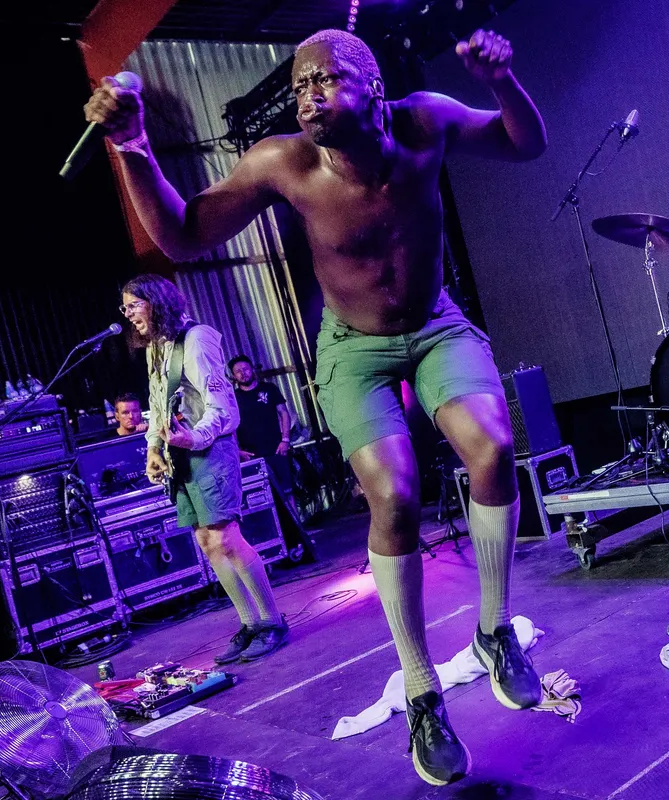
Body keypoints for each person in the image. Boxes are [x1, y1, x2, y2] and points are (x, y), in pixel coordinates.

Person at [86, 28, 546, 785]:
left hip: (435, 325)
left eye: (325, 79)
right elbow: (184, 236)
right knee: (393, 494)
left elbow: (523, 142)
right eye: (299, 85)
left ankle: (495, 632)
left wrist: (502, 79)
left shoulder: (425, 121)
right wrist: (133, 146)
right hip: (351, 347)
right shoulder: (285, 163)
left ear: (373, 85)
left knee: (493, 446)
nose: (307, 96)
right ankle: (422, 691)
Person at [121, 274, 288, 664]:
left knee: (226, 537)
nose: (128, 314)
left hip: (210, 448)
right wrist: (154, 447)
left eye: (133, 305)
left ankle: (272, 621)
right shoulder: (156, 348)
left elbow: (223, 408)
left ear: (156, 301)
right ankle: (250, 623)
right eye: (124, 307)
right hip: (181, 452)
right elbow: (158, 404)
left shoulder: (197, 340)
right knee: (206, 541)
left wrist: (193, 439)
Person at [229, 355, 294, 494]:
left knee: (287, 492)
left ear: (252, 369)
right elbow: (230, 427)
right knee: (261, 495)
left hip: (276, 449)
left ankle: (292, 510)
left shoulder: (269, 389)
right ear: (234, 376)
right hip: (250, 455)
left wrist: (285, 440)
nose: (243, 373)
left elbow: (284, 413)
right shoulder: (232, 398)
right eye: (238, 371)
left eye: (245, 369)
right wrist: (237, 451)